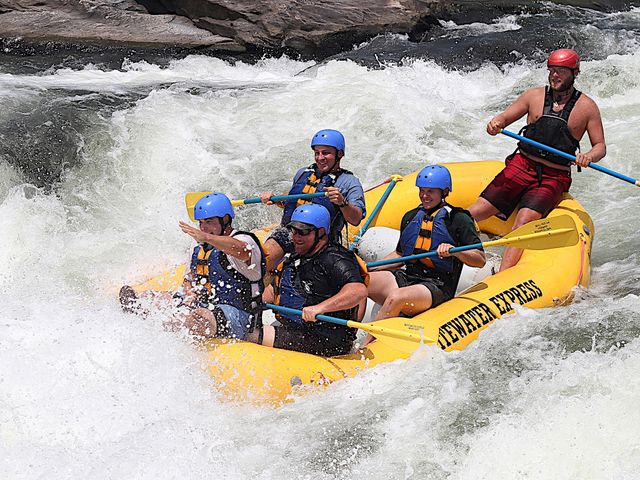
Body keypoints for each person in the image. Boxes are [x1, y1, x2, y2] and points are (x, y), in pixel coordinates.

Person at [469, 48, 606, 270]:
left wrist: (588, 156)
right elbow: (504, 118)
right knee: (474, 212)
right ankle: (456, 254)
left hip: (553, 176)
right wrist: (495, 124)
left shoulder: (587, 107)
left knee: (523, 222)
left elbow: (600, 146)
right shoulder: (533, 96)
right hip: (521, 165)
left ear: (575, 73)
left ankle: (503, 276)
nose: (555, 75)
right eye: (552, 70)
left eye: (561, 71)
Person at [120, 193, 266, 340]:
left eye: (208, 222)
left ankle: (170, 327)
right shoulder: (198, 245)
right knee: (153, 298)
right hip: (204, 305)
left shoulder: (244, 239)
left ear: (226, 220)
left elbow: (241, 250)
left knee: (199, 317)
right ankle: (140, 312)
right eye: (201, 222)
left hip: (239, 316)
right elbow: (189, 281)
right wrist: (188, 295)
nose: (203, 227)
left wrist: (207, 237)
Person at [367, 165, 486, 323]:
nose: (424, 196)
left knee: (396, 297)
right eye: (422, 191)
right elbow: (400, 255)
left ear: (444, 192)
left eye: (431, 191)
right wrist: (367, 267)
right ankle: (347, 338)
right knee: (359, 281)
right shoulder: (411, 216)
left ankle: (366, 346)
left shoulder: (459, 219)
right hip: (408, 278)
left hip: (437, 286)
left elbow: (480, 260)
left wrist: (455, 252)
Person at [246, 204, 368, 356]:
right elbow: (278, 290)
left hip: (325, 339)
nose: (296, 237)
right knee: (243, 325)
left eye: (302, 232)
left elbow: (358, 291)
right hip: (297, 328)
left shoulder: (335, 259)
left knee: (251, 334)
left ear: (321, 232)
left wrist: (320, 308)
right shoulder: (298, 257)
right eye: (293, 231)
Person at [260, 129, 366, 275]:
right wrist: (275, 198)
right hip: (290, 233)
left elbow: (356, 219)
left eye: (326, 153)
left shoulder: (349, 182)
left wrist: (342, 203)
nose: (320, 158)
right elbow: (295, 199)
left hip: (321, 242)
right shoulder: (303, 173)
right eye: (317, 153)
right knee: (261, 263)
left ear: (339, 154)